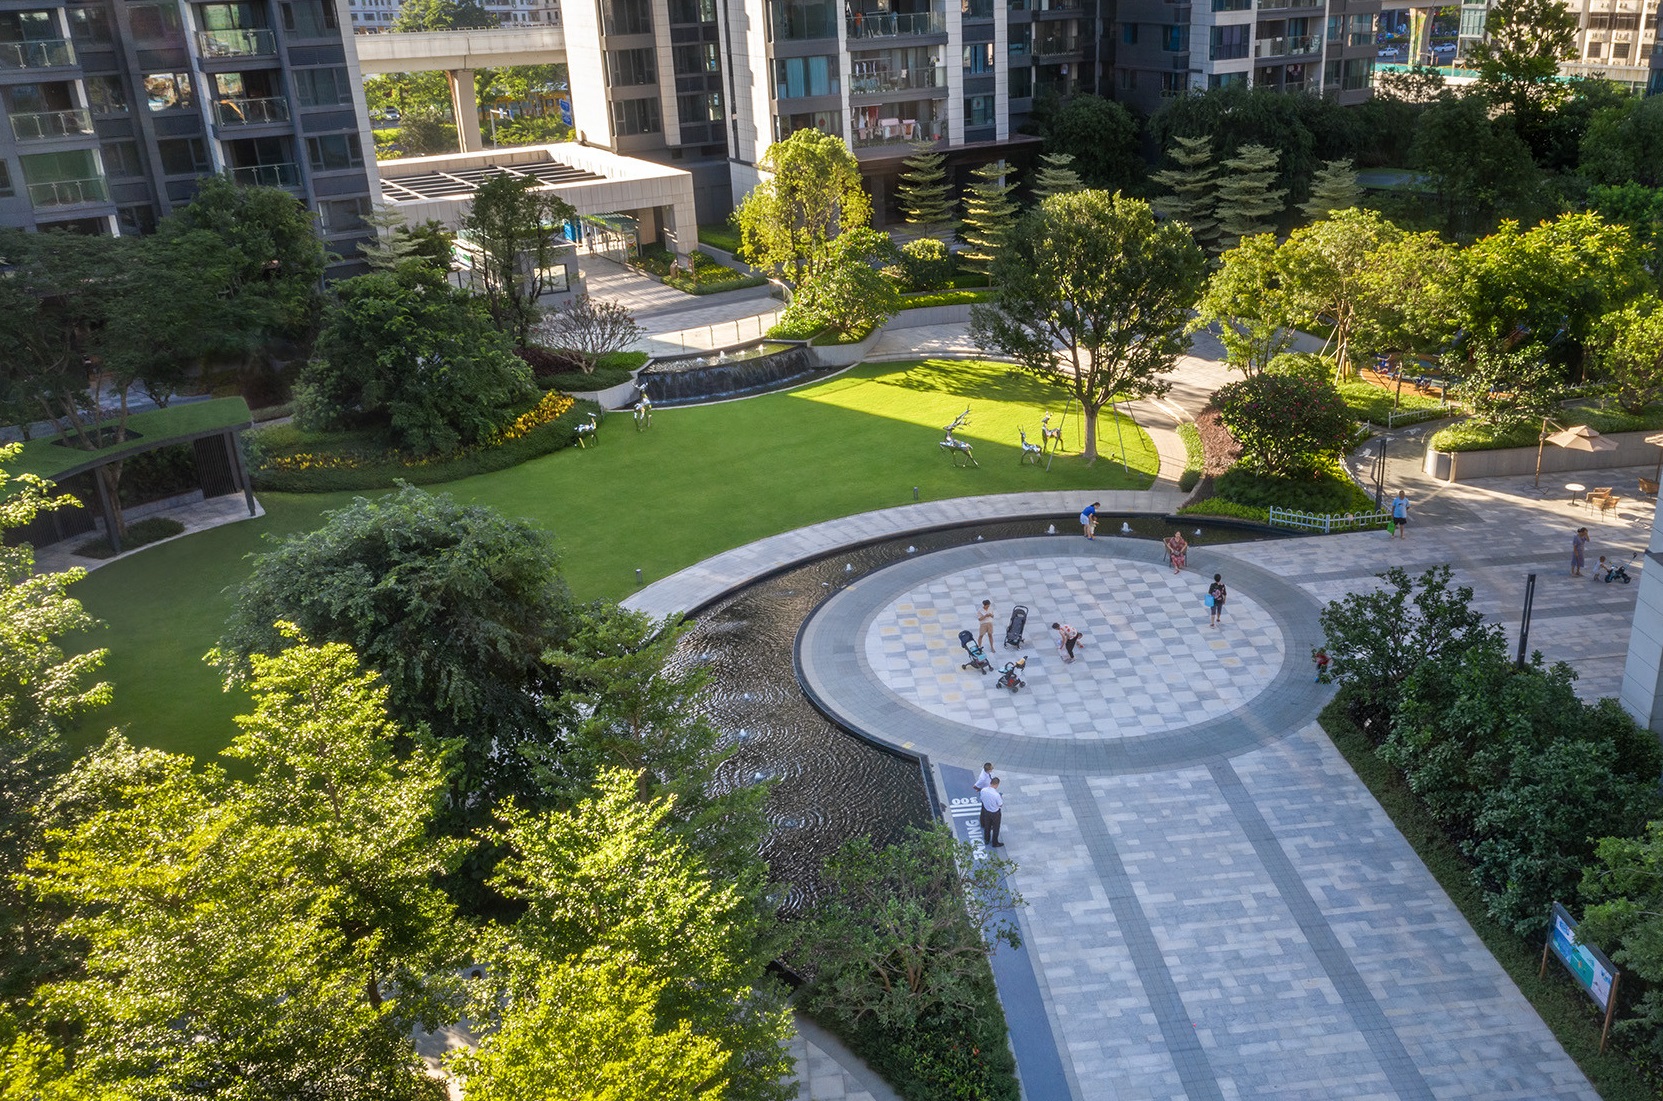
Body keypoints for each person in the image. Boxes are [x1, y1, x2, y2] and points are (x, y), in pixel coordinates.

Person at [979, 776, 1003, 847]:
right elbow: (1000, 804)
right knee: (996, 828)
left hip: (986, 811)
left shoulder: (983, 790)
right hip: (995, 813)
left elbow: (982, 799)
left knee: (987, 826)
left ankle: (986, 839)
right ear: (996, 784)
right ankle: (995, 842)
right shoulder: (996, 795)